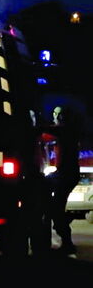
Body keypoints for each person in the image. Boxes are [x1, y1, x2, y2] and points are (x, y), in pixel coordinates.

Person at [43, 104, 82, 257]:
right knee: (45, 186)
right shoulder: (69, 130)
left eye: (56, 115)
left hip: (66, 174)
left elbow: (45, 130)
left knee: (56, 210)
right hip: (64, 173)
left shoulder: (66, 130)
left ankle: (67, 242)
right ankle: (61, 220)